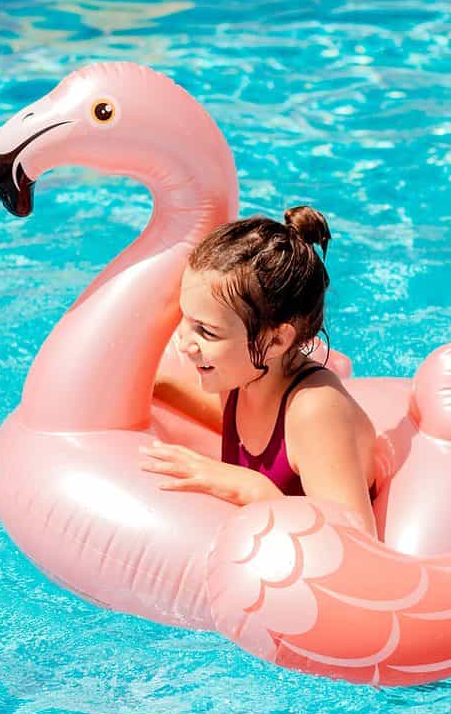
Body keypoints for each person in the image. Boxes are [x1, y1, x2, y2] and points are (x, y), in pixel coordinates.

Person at [140, 206, 379, 536]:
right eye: (186, 319)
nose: (185, 344)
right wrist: (148, 385)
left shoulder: (315, 411)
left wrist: (253, 489)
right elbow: (235, 422)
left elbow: (358, 541)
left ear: (277, 339)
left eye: (206, 331)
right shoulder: (243, 374)